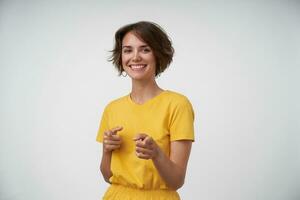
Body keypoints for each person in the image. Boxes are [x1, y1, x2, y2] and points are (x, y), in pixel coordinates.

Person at [96, 21, 195, 200]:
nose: (135, 57)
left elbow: (177, 181)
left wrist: (156, 154)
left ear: (158, 54)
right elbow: (108, 176)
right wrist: (106, 150)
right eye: (128, 50)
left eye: (145, 49)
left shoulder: (178, 105)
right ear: (121, 57)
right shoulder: (112, 108)